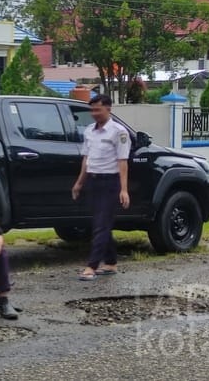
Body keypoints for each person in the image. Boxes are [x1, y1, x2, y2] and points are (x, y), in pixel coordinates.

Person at [71, 94, 131, 281]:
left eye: (98, 109)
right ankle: (111, 262)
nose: (94, 114)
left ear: (108, 109)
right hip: (93, 181)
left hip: (110, 182)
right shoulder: (89, 131)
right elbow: (86, 159)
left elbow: (123, 162)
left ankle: (92, 266)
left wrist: (123, 189)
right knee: (101, 224)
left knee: (100, 225)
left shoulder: (118, 132)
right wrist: (79, 183)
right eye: (92, 110)